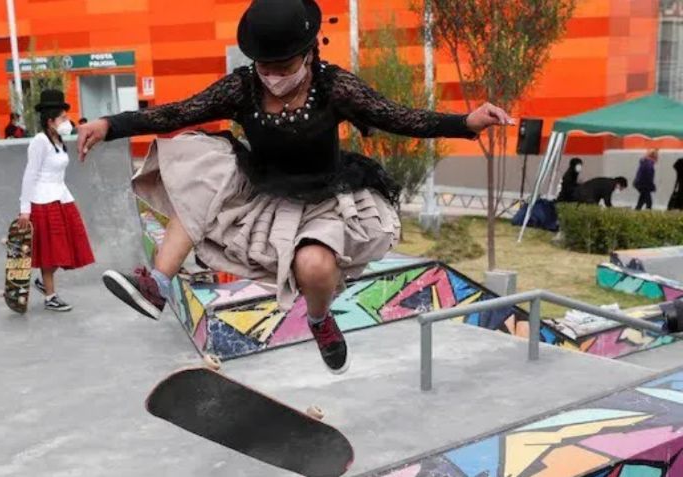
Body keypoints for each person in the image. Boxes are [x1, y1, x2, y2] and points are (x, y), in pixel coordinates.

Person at [76, 0, 511, 374]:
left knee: (315, 267)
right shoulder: (242, 87)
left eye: (282, 68)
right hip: (259, 185)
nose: (271, 76)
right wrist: (111, 124)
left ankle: (320, 320)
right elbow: (176, 113)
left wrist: (465, 123)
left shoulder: (334, 87)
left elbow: (397, 116)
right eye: (263, 67)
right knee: (199, 168)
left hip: (323, 196)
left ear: (307, 54)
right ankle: (157, 284)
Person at [18, 89, 95, 312]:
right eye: (62, 117)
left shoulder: (58, 140)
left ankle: (44, 282)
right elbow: (29, 175)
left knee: (68, 244)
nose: (66, 121)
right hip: (43, 202)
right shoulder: (40, 142)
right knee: (51, 251)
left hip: (61, 197)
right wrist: (25, 209)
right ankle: (50, 296)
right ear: (50, 121)